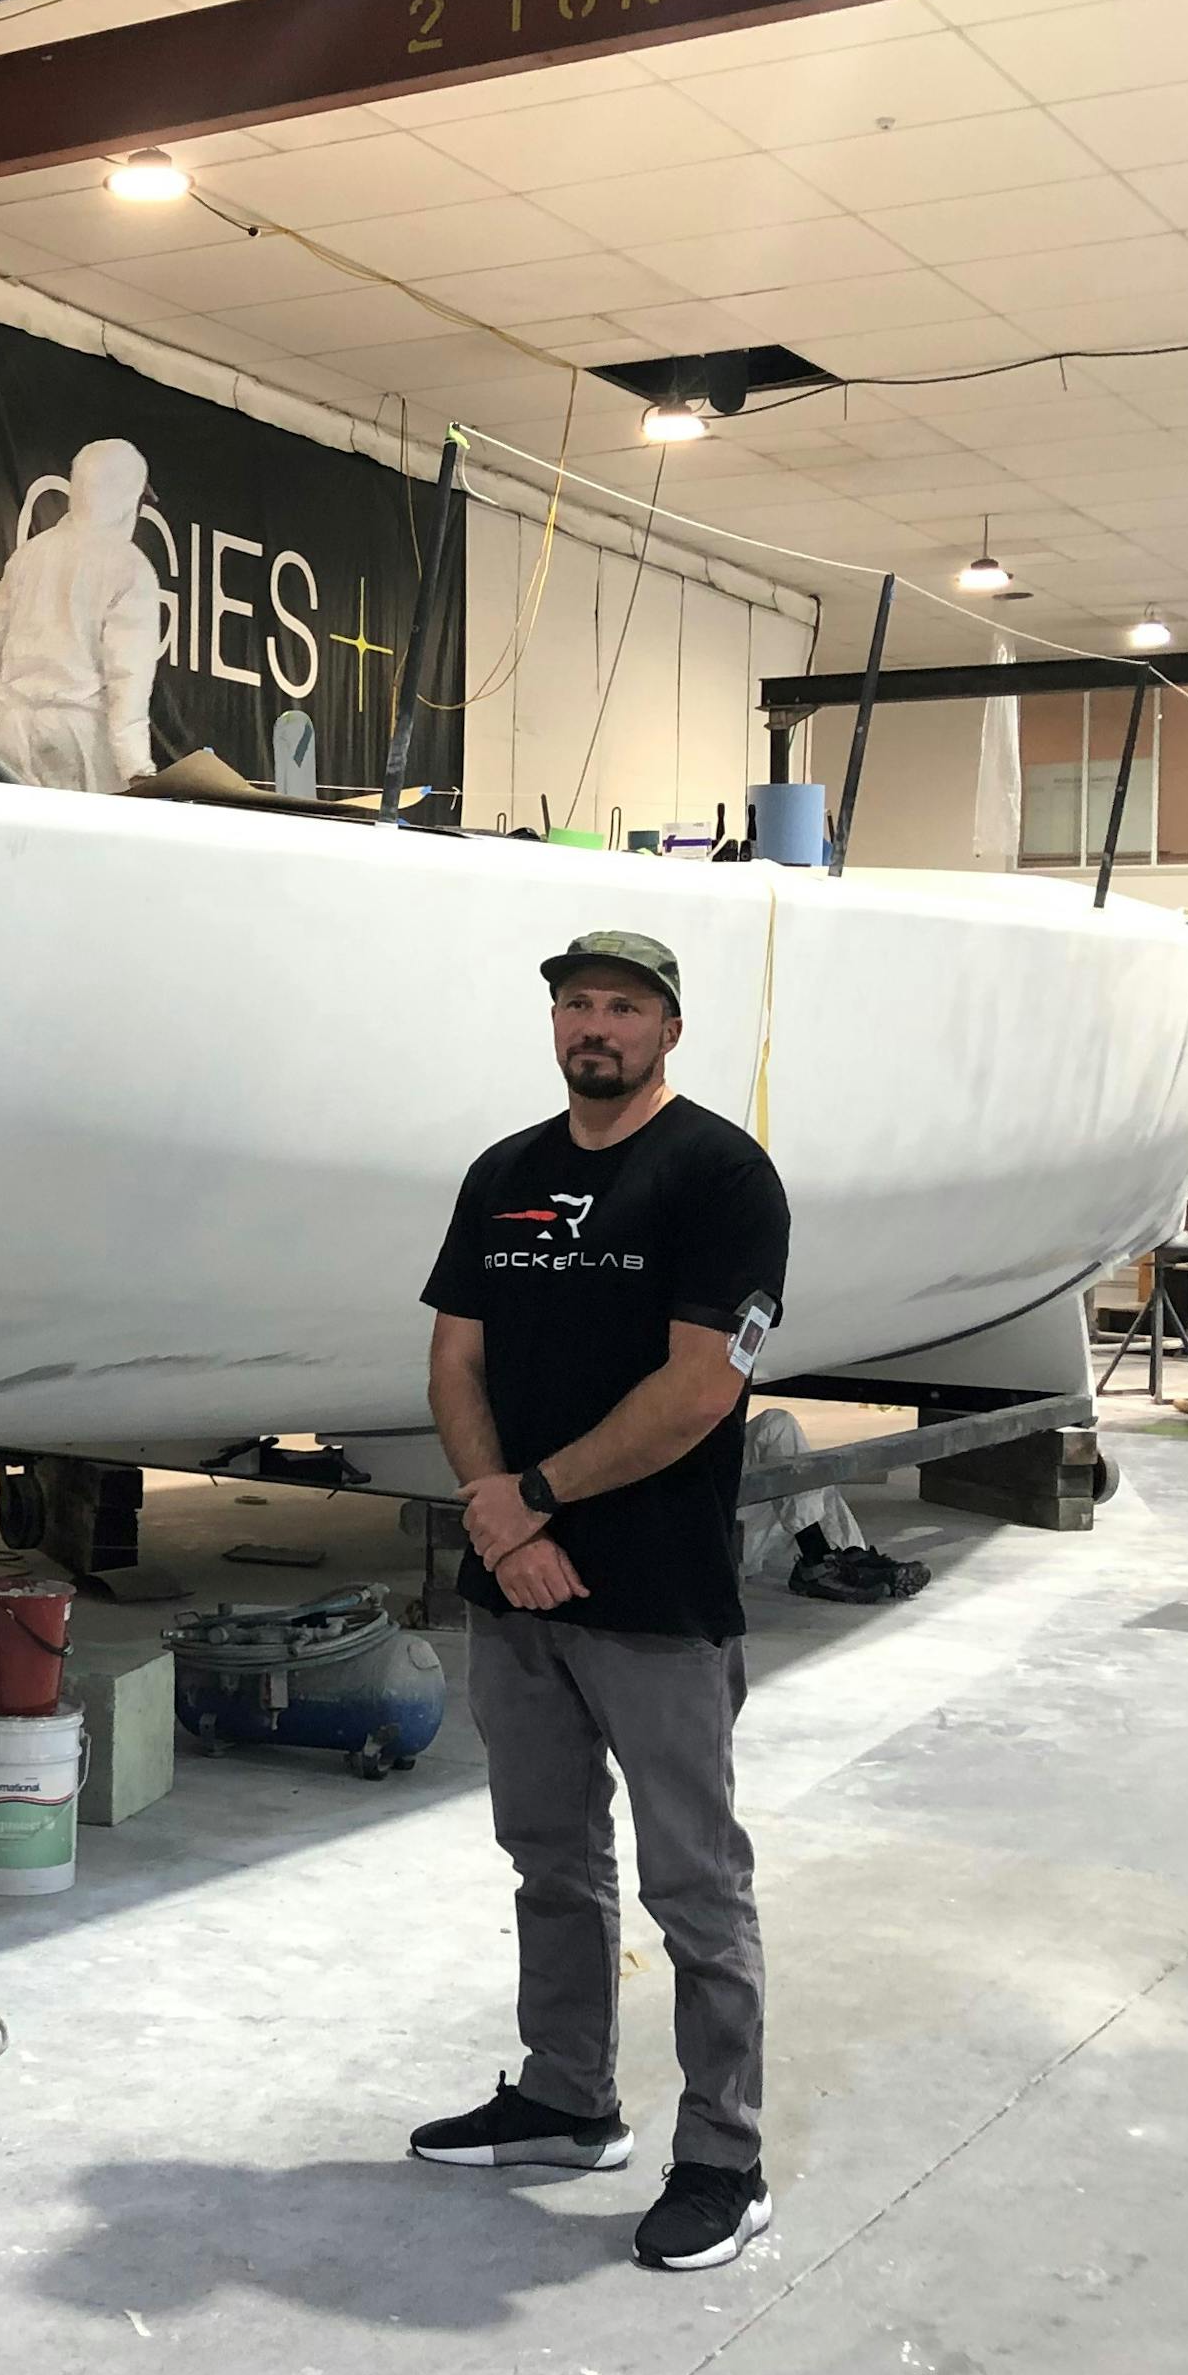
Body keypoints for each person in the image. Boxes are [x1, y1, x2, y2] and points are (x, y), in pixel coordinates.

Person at [406, 928, 792, 2273]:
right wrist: (500, 1515)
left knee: (697, 1887)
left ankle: (724, 2159)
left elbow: (702, 1388)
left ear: (669, 1029)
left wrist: (534, 1500)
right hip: (519, 1591)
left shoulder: (720, 1177)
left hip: (656, 1594)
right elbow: (455, 1361)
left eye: (624, 1007)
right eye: (577, 1004)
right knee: (549, 1858)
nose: (596, 1027)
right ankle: (568, 2100)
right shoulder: (503, 1175)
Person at [0, 437, 164, 793]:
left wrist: (11, 705)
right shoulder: (130, 567)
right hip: (81, 739)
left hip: (9, 735)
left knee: (11, 846)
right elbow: (129, 677)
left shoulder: (29, 555)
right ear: (126, 499)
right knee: (83, 847)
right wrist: (137, 767)